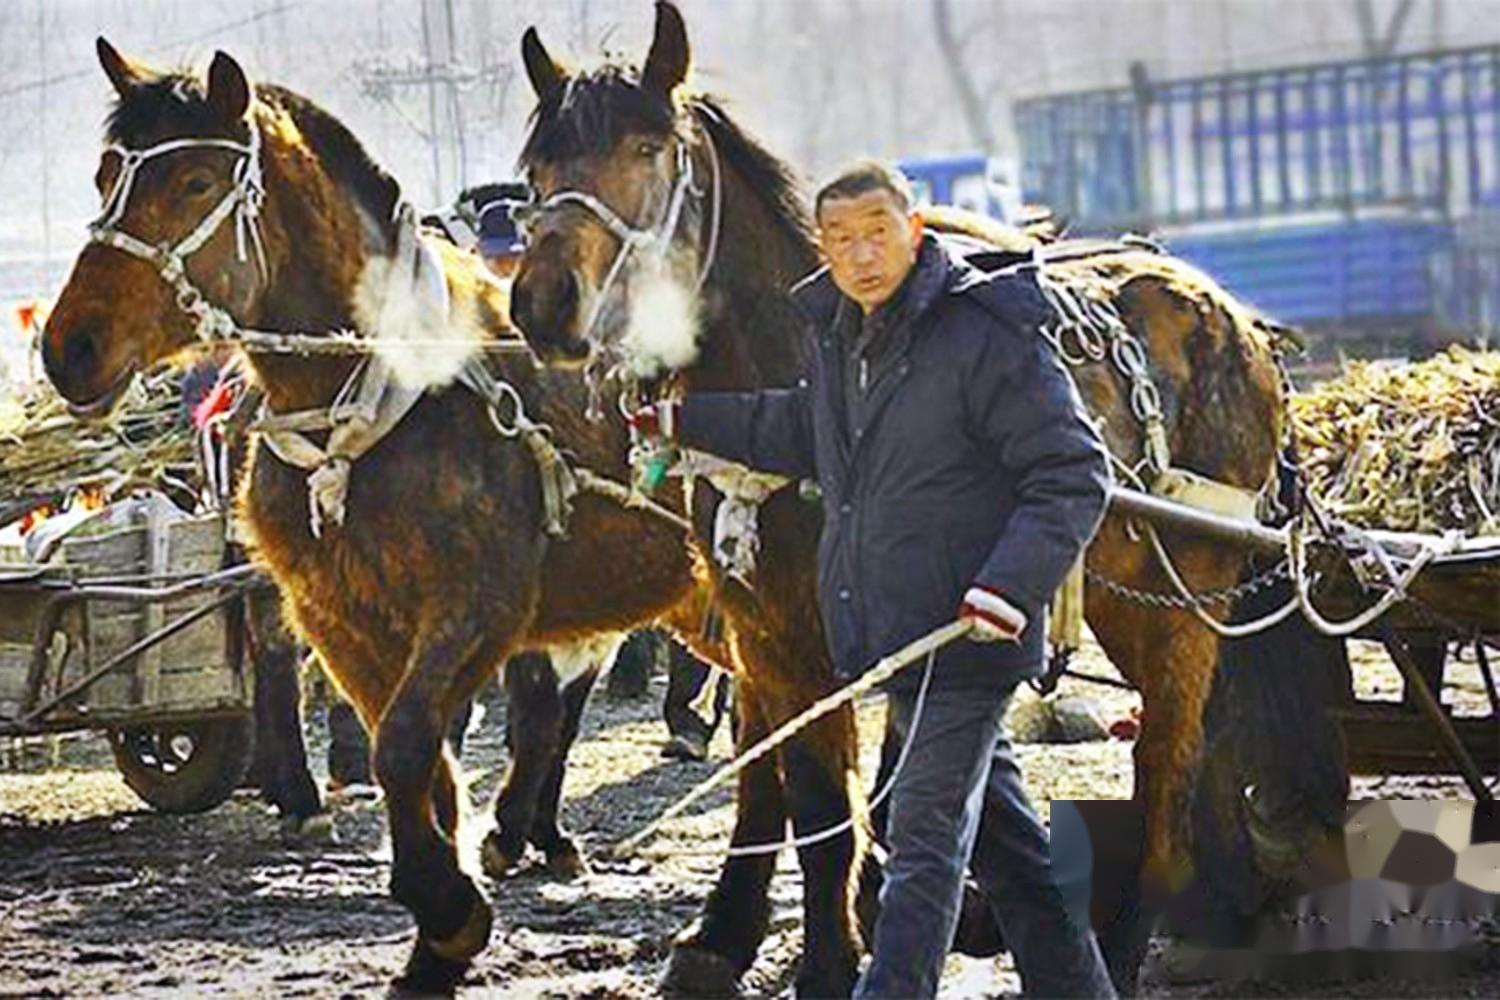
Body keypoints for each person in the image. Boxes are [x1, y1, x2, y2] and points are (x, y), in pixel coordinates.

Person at [631, 159, 1115, 998]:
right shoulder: (845, 337)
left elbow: (1074, 472)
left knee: (919, 847)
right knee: (1010, 850)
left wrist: (1006, 587)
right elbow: (794, 424)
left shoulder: (984, 333)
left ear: (914, 231)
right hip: (896, 636)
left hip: (965, 637)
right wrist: (681, 419)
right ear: (820, 250)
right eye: (842, 240)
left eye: (877, 233)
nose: (861, 256)